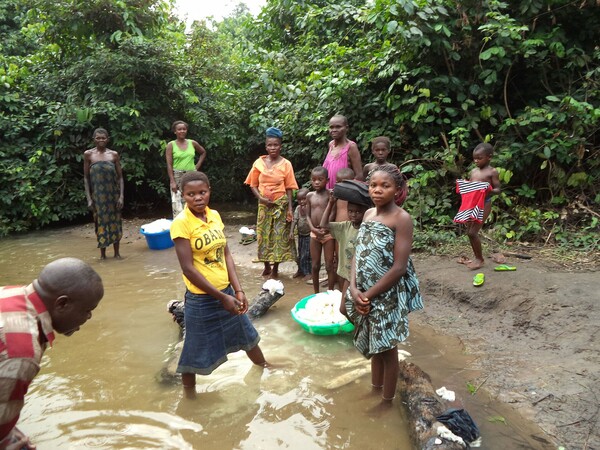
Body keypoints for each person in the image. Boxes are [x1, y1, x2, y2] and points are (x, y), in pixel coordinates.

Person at [170, 171, 269, 393]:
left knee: (248, 336)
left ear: (209, 192)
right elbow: (187, 268)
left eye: (202, 192)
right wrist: (222, 297)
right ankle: (189, 397)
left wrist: (238, 290)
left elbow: (227, 255)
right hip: (201, 300)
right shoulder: (181, 224)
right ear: (183, 196)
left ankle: (266, 368)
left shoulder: (214, 215)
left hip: (226, 293)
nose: (197, 198)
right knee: (193, 351)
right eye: (191, 194)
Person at [0, 258, 104, 449]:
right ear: (62, 304)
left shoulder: (9, 293)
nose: (89, 317)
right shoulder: (22, 352)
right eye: (87, 310)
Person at [346, 164, 423, 403]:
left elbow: (399, 267)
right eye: (373, 185)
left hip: (386, 294)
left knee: (388, 349)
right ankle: (375, 388)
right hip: (363, 292)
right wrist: (353, 287)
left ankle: (387, 400)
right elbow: (358, 253)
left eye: (385, 186)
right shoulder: (368, 214)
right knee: (374, 343)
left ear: (397, 189)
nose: (377, 190)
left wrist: (367, 294)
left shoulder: (402, 219)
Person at [244, 127, 298, 279]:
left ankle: (275, 269)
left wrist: (289, 208)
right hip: (263, 205)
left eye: (276, 145)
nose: (273, 148)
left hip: (280, 205)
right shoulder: (258, 163)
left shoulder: (286, 164)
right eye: (270, 145)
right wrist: (260, 198)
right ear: (266, 146)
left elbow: (289, 188)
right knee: (263, 235)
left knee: (278, 237)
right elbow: (252, 184)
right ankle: (266, 266)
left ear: (280, 146)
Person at [319, 180, 372, 318]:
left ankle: (361, 333)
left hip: (363, 277)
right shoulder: (345, 227)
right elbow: (323, 225)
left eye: (357, 212)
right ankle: (358, 332)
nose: (354, 215)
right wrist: (331, 203)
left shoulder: (368, 227)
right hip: (348, 275)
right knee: (344, 310)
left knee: (361, 308)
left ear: (365, 212)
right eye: (350, 211)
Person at [453, 143, 502, 270]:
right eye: (474, 158)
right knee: (470, 232)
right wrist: (466, 184)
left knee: (472, 232)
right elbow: (471, 188)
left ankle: (479, 259)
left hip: (484, 204)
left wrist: (486, 189)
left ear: (489, 157)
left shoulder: (492, 172)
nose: (476, 161)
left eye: (479, 158)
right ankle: (477, 257)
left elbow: (498, 190)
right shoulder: (474, 171)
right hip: (472, 205)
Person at [84, 128, 124, 259]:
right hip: (98, 197)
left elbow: (120, 178)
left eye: (103, 138)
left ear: (108, 139)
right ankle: (103, 256)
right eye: (98, 138)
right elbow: (86, 178)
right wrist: (89, 198)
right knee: (100, 223)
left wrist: (121, 196)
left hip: (113, 195)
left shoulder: (113, 155)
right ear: (93, 139)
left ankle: (117, 254)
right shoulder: (88, 155)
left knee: (115, 223)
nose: (101, 140)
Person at [165, 120, 207, 218]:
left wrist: (196, 167)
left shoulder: (192, 143)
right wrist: (172, 181)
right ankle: (180, 227)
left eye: (184, 129)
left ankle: (194, 224)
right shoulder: (171, 145)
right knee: (177, 203)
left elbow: (203, 152)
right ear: (175, 131)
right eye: (179, 129)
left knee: (193, 200)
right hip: (177, 175)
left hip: (191, 176)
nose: (182, 131)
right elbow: (169, 164)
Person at [305, 166, 336, 293]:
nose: (316, 182)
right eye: (314, 180)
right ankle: (316, 293)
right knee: (315, 265)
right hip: (314, 234)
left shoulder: (331, 194)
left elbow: (333, 213)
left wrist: (325, 228)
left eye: (320, 179)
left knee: (329, 265)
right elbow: (307, 215)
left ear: (327, 180)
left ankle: (330, 292)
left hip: (328, 234)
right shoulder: (309, 195)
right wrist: (313, 228)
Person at [322, 115, 363, 190]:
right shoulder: (331, 145)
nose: (334, 130)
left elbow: (359, 175)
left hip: (344, 192)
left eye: (338, 127)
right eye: (331, 127)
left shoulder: (351, 147)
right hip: (328, 193)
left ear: (346, 128)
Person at [290, 188, 311, 281]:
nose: (302, 201)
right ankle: (300, 270)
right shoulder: (298, 209)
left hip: (309, 235)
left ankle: (308, 273)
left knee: (306, 255)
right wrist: (291, 231)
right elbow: (295, 220)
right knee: (299, 254)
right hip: (300, 235)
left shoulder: (311, 207)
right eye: (299, 200)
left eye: (304, 199)